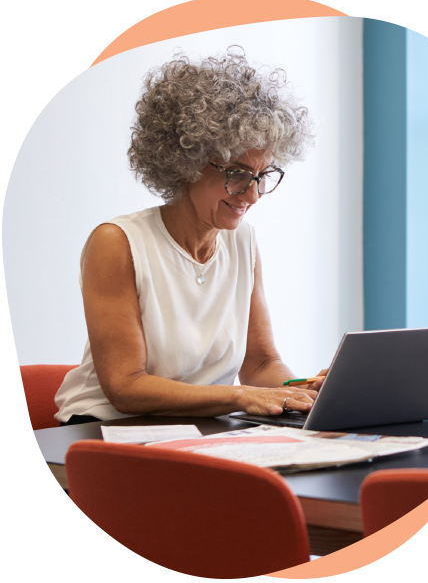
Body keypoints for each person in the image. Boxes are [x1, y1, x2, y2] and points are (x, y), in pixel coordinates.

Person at [54, 47, 326, 426]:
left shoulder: (241, 242)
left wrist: (304, 388)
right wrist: (240, 396)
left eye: (262, 176)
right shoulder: (117, 243)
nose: (251, 195)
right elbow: (126, 387)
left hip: (202, 426)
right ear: (186, 163)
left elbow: (259, 363)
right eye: (236, 173)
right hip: (105, 429)